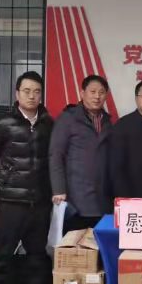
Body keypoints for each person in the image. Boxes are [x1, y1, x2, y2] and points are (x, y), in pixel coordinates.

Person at [0, 71, 53, 284]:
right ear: (17, 93)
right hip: (11, 202)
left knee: (37, 253)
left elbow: (54, 160)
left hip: (40, 201)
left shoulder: (49, 124)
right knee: (3, 253)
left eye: (36, 91)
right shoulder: (3, 123)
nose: (32, 96)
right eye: (27, 91)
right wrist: (3, 180)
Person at [49, 75, 114, 234]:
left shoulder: (107, 121)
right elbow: (55, 155)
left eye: (101, 92)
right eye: (93, 92)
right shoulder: (68, 118)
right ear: (82, 93)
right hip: (75, 198)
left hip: (102, 199)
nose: (97, 96)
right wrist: (58, 189)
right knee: (75, 245)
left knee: (98, 245)